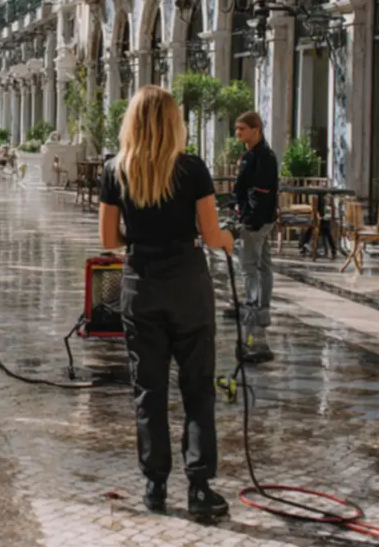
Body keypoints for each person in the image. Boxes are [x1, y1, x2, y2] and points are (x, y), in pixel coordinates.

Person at [98, 85, 235, 521]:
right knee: (198, 388)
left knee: (149, 389)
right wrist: (228, 238)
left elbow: (108, 239)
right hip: (188, 286)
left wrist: (142, 237)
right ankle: (200, 489)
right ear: (174, 122)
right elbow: (211, 235)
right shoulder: (192, 169)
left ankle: (155, 486)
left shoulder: (115, 170)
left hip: (141, 285)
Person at [232, 110, 278, 364]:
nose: (238, 133)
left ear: (256, 129)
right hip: (257, 219)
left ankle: (254, 308)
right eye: (237, 129)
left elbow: (260, 192)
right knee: (262, 264)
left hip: (257, 221)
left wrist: (249, 218)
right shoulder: (251, 155)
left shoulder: (264, 157)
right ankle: (261, 309)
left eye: (242, 128)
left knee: (250, 266)